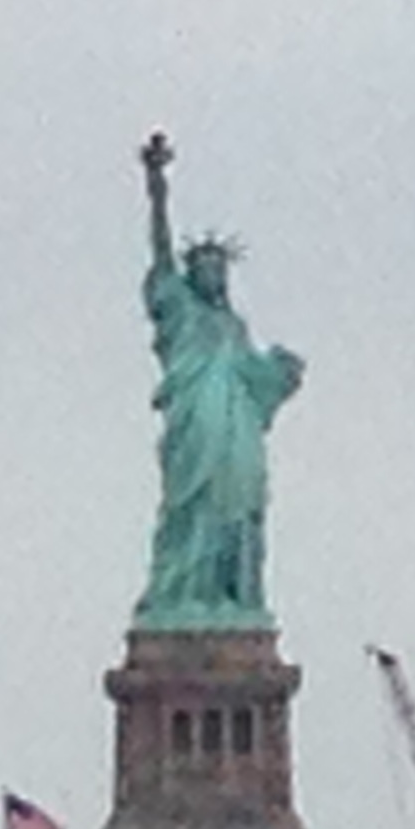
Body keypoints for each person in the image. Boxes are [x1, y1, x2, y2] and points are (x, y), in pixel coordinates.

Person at [134, 132, 303, 629]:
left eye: (219, 269)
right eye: (203, 268)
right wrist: (157, 188)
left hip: (237, 436)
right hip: (196, 428)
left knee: (239, 506)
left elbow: (257, 380)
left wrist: (281, 373)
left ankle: (232, 599)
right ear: (191, 276)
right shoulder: (180, 311)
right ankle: (183, 595)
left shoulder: (234, 328)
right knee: (190, 511)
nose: (212, 275)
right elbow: (161, 255)